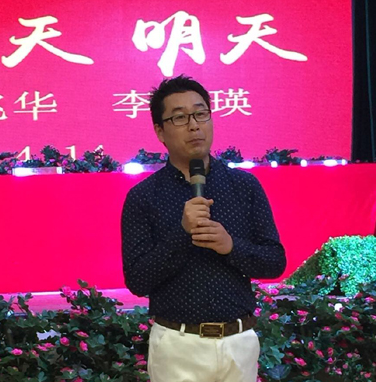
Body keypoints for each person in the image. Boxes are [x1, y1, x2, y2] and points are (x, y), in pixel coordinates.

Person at [121, 75, 286, 382]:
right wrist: (182, 234)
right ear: (160, 131)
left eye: (200, 114)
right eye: (180, 117)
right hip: (178, 345)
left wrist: (231, 247)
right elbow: (138, 280)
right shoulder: (143, 197)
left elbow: (275, 261)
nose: (194, 126)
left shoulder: (244, 186)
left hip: (239, 342)